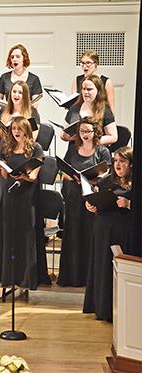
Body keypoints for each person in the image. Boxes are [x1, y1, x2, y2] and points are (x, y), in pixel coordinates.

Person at [0, 116, 43, 290]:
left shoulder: (35, 148)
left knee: (25, 234)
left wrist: (24, 176)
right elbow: (5, 176)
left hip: (27, 196)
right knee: (9, 234)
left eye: (20, 129)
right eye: (13, 129)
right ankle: (9, 277)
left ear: (26, 130)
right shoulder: (7, 148)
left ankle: (26, 277)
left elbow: (34, 175)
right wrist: (2, 168)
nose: (16, 132)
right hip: (10, 194)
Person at [58, 118, 111, 287]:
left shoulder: (102, 150)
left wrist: (91, 179)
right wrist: (74, 176)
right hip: (74, 195)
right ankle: (73, 276)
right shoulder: (73, 149)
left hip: (92, 195)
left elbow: (106, 174)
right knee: (74, 234)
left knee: (89, 234)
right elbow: (64, 172)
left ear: (95, 132)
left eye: (88, 131)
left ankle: (90, 277)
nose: (85, 135)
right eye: (82, 131)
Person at [83, 146, 133, 322]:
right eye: (116, 161)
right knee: (102, 266)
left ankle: (121, 311)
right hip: (103, 229)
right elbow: (96, 202)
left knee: (118, 269)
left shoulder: (136, 184)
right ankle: (102, 309)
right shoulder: (105, 182)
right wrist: (91, 206)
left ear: (131, 164)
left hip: (124, 230)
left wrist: (128, 204)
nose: (118, 165)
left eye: (122, 161)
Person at [63, 75, 117, 146]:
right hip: (76, 150)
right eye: (83, 89)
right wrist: (67, 137)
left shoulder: (105, 110)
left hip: (96, 152)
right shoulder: (74, 108)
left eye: (89, 89)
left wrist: (91, 140)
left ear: (98, 91)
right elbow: (63, 134)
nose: (85, 92)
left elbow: (113, 137)